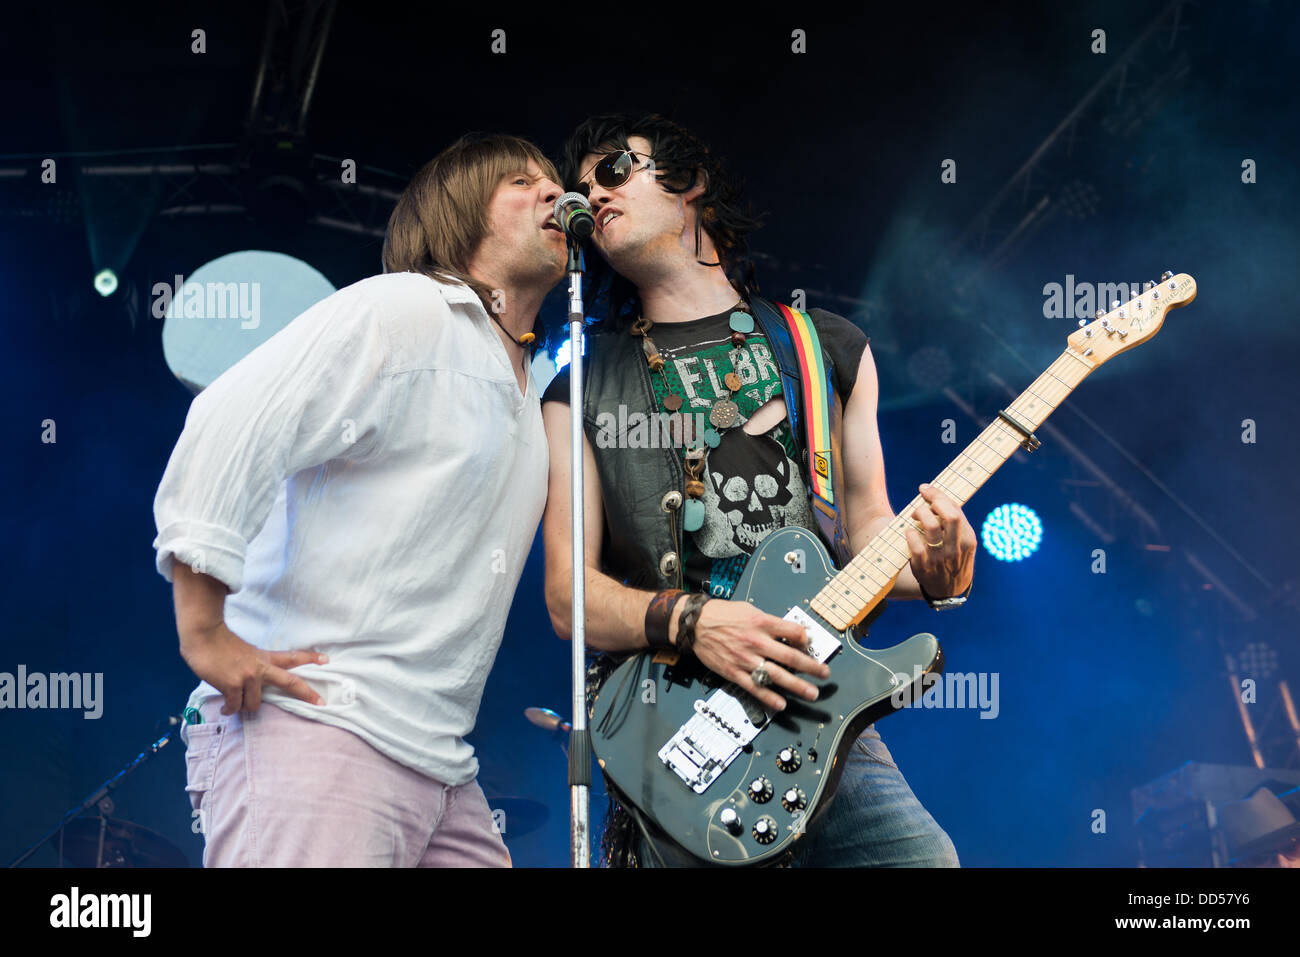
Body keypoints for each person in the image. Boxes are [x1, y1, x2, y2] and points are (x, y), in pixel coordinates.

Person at [541, 113, 974, 867]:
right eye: (579, 189)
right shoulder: (579, 386)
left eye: (614, 170)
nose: (594, 195)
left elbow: (869, 530)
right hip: (672, 733)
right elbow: (567, 595)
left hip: (817, 707)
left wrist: (939, 573)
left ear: (691, 184)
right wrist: (693, 620)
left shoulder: (824, 347)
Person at [154, 133, 567, 867]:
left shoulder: (532, 382)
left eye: (554, 181)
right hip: (318, 723)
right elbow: (234, 414)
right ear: (460, 213)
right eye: (520, 181)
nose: (552, 193)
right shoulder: (403, 310)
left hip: (440, 760)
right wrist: (204, 629)